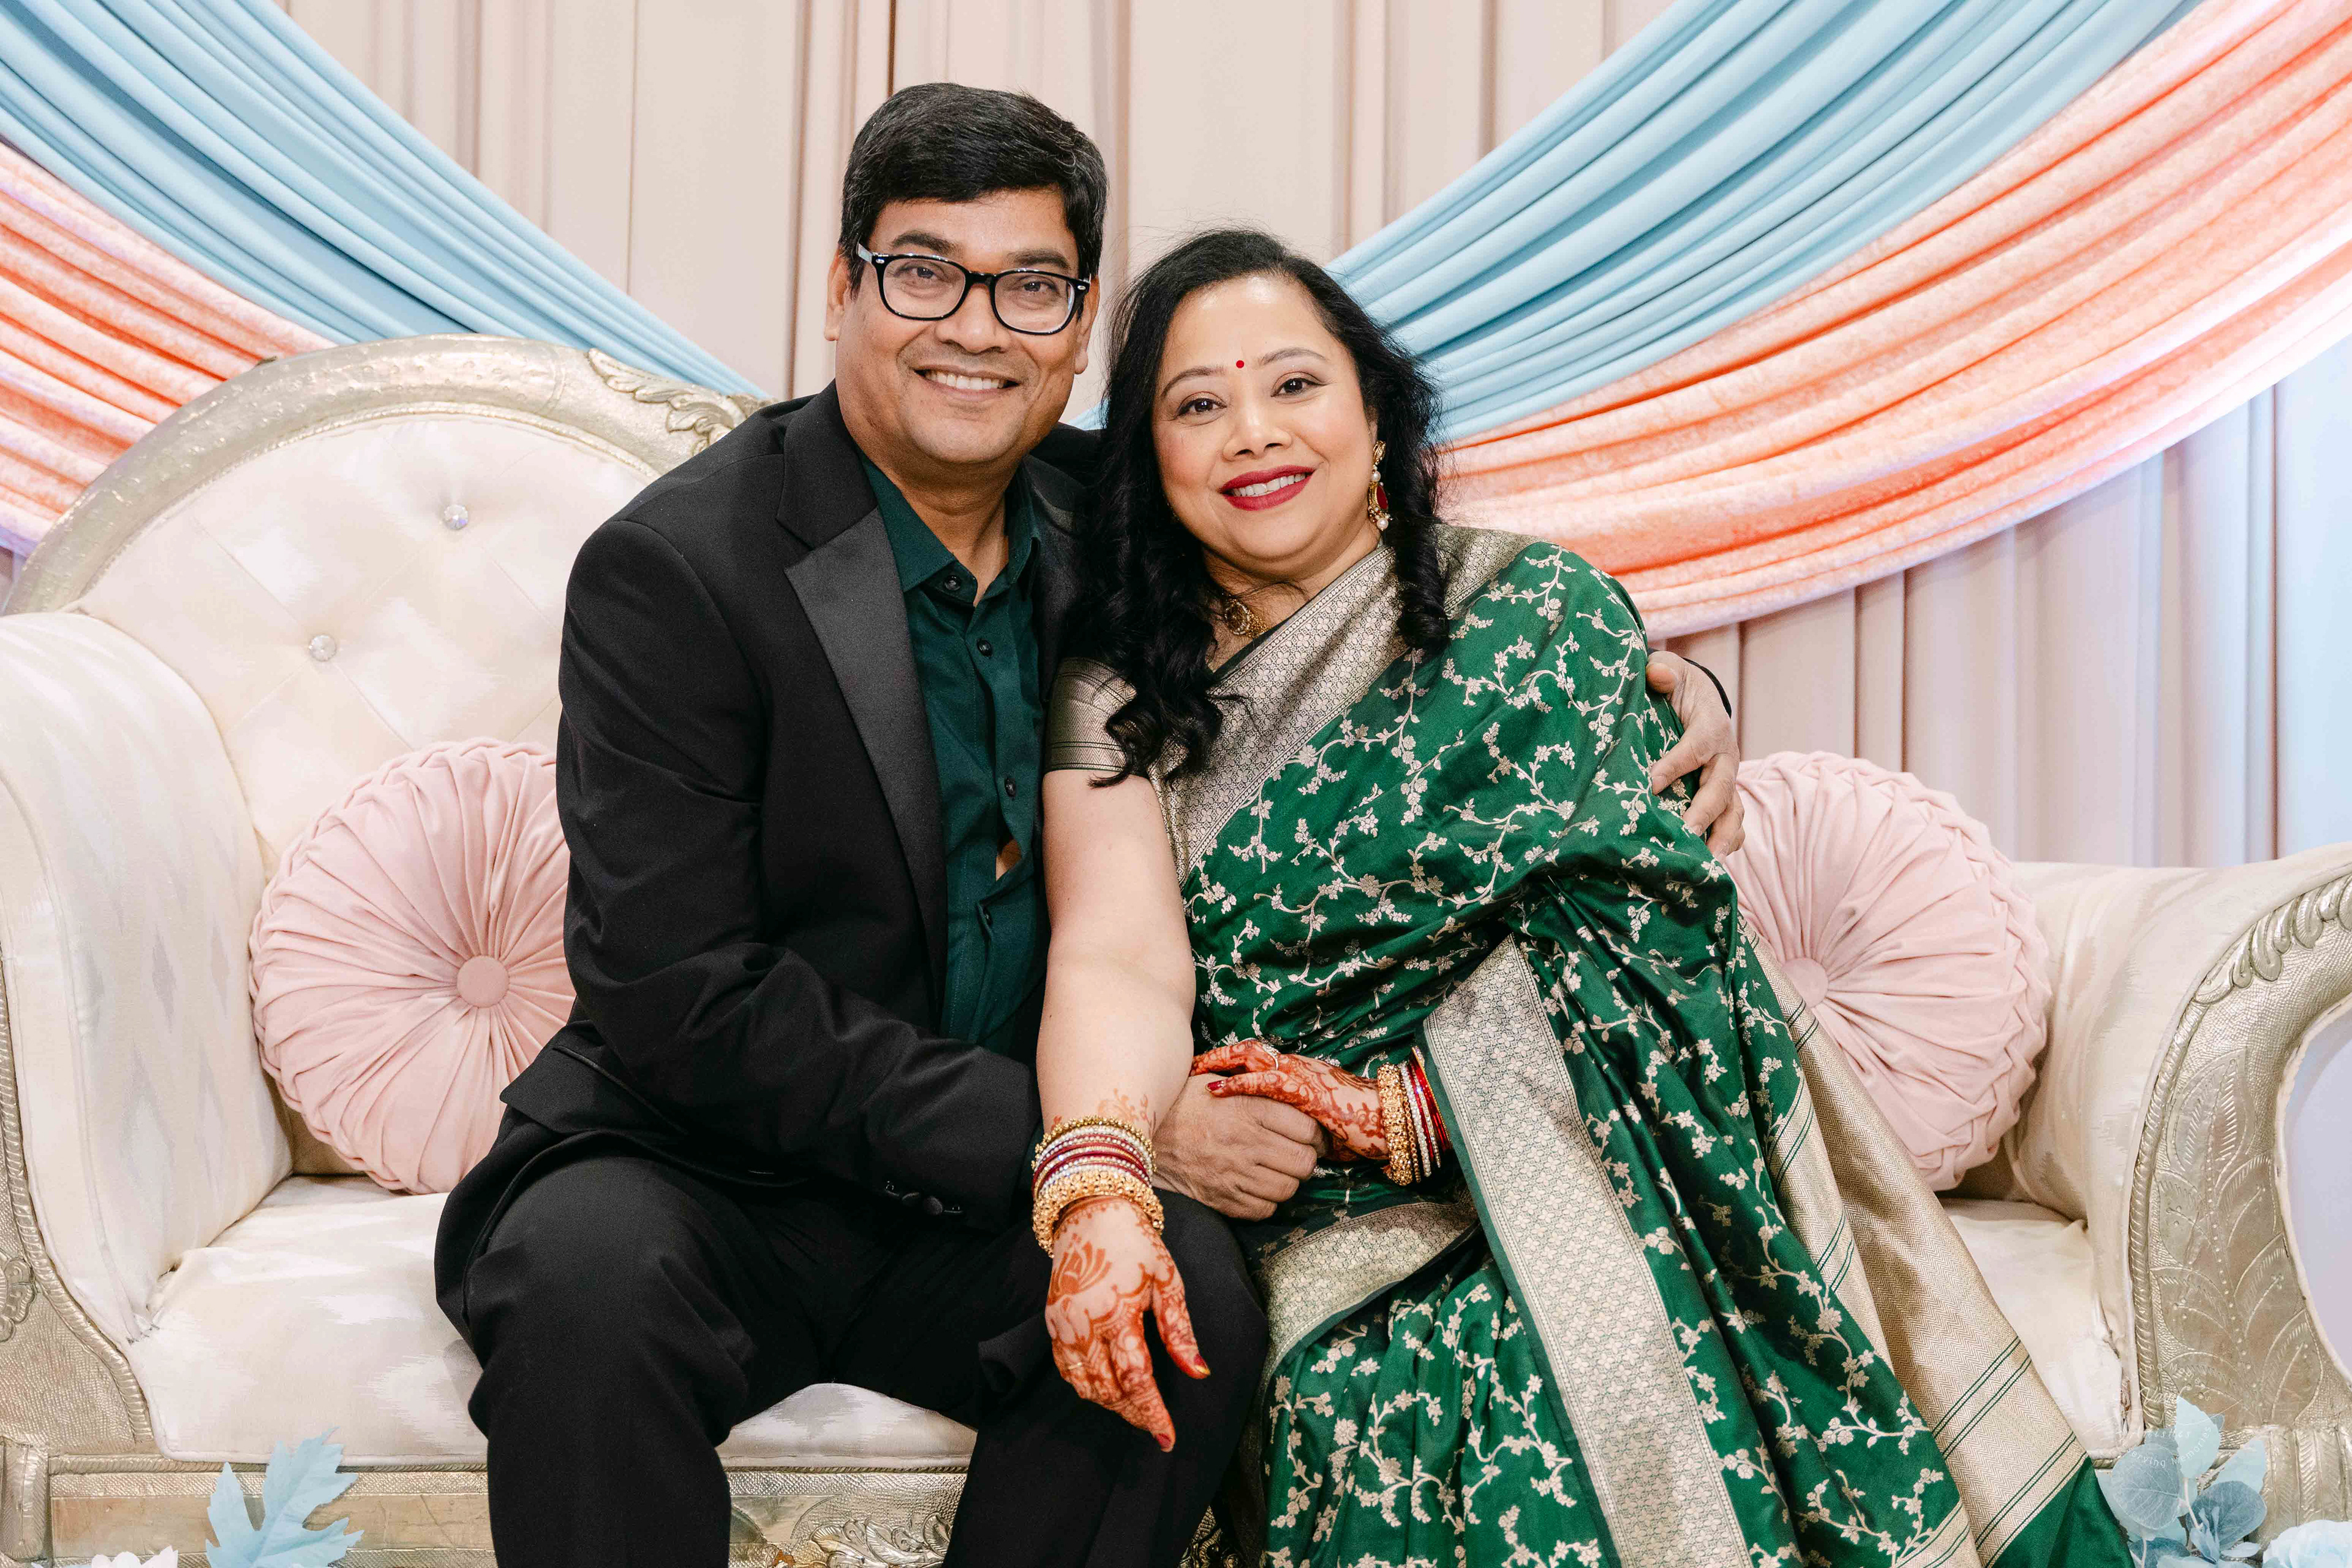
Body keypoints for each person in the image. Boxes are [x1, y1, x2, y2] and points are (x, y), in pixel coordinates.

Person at [432, 82, 1743, 1567]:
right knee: (584, 1290)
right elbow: (679, 992)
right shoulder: (678, 567)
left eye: (1031, 286)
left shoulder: (1119, 518)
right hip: (700, 1167)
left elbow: (1361, 603)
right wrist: (1102, 1138)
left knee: (1197, 1306)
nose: (975, 328)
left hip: (985, 1214)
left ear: (1076, 325)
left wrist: (1660, 686)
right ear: (841, 289)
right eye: (924, 272)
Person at [1033, 228, 2131, 1568]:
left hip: (1615, 1160)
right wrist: (1108, 1175)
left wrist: (1416, 1110)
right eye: (1198, 404)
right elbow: (1117, 958)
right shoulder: (1122, 693)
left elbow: (1661, 936)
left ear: (1378, 420)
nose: (1253, 431)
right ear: (1150, 462)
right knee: (1402, 1403)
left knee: (1608, 1354)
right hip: (1322, 1215)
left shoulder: (1538, 612)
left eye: (1295, 385)